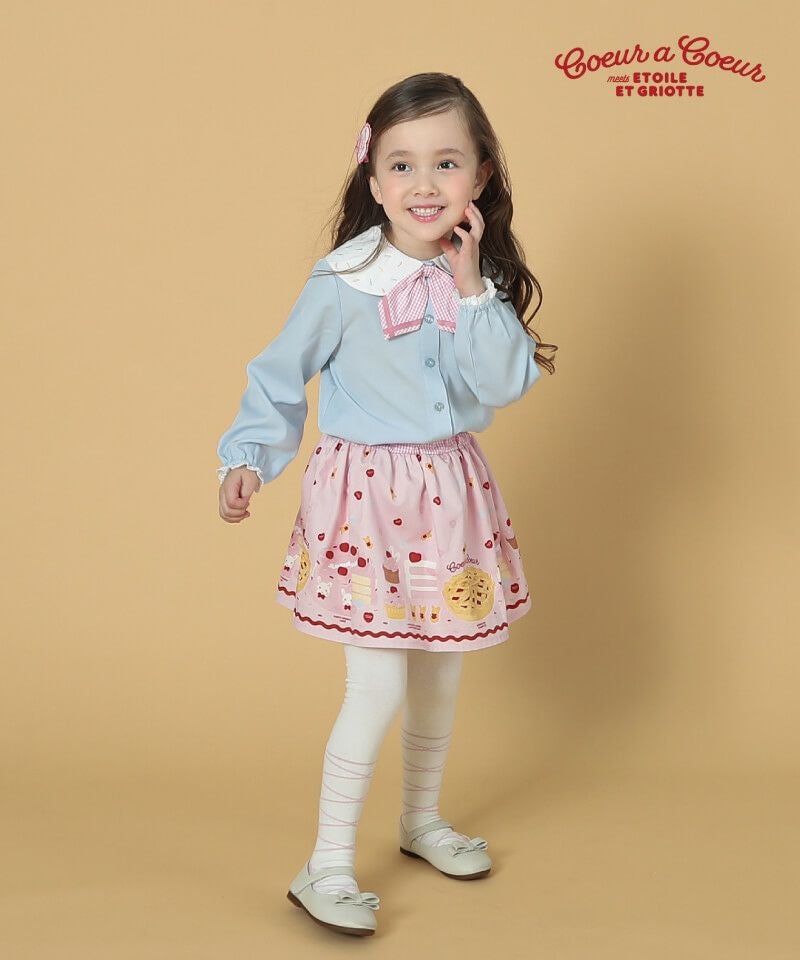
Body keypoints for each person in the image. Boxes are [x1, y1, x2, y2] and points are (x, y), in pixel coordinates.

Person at [216, 71, 558, 936]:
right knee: (375, 686)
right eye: (401, 165)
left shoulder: (478, 280)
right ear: (372, 180)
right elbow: (279, 374)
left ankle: (420, 820)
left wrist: (473, 286)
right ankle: (326, 864)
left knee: (440, 674)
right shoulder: (344, 280)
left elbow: (504, 383)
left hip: (451, 497)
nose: (424, 184)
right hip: (366, 504)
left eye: (447, 162)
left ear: (481, 174)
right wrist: (249, 458)